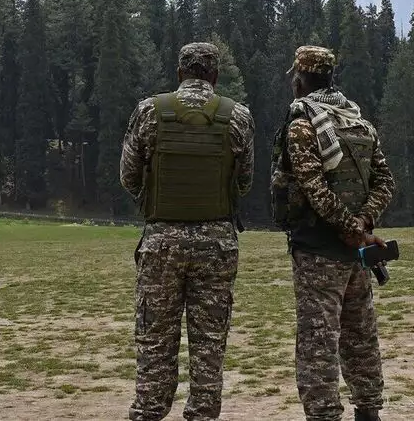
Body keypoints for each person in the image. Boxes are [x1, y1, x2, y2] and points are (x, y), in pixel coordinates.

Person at [120, 41, 254, 421]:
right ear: (215, 76)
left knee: (154, 342)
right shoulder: (238, 116)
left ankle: (149, 411)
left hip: (161, 244)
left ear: (180, 73)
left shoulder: (150, 111)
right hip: (217, 246)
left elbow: (128, 176)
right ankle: (203, 413)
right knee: (209, 345)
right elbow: (244, 182)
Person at [273, 44, 396, 421]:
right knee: (361, 337)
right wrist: (363, 225)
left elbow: (313, 187)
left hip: (318, 251)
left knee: (318, 343)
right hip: (356, 252)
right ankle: (369, 410)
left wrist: (350, 229)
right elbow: (385, 182)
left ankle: (324, 415)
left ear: (300, 80)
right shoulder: (359, 122)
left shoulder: (302, 124)